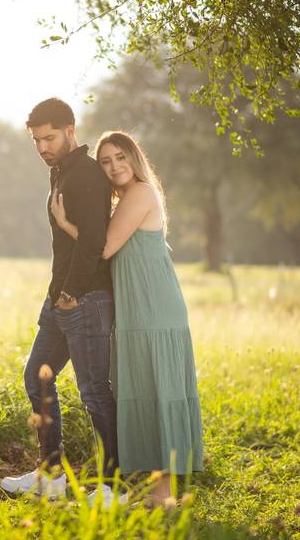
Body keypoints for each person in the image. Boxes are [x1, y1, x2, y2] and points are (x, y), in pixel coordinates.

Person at [51, 130, 203, 505]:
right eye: (105, 161)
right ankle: (155, 490)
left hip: (154, 306)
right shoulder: (125, 201)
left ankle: (163, 493)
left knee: (158, 390)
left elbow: (102, 248)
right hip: (137, 307)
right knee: (144, 390)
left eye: (121, 157)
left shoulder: (140, 194)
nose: (114, 166)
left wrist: (65, 222)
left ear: (135, 159)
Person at [0, 98, 120, 504]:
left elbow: (93, 242)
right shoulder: (61, 172)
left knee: (94, 393)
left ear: (71, 129)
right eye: (36, 140)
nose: (42, 148)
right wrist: (58, 296)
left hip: (85, 300)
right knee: (37, 377)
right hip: (61, 300)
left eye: (49, 138)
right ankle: (50, 475)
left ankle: (112, 486)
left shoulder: (86, 174)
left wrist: (70, 294)